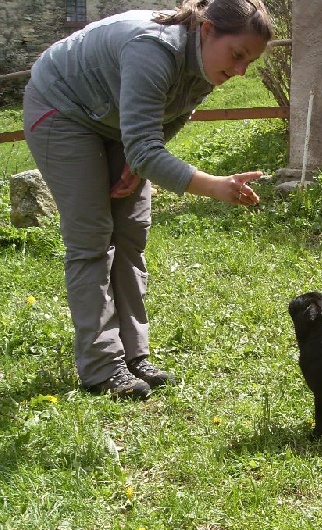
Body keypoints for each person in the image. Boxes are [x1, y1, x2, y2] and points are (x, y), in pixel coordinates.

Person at [23, 0, 274, 399]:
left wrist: (137, 163)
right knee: (92, 238)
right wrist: (214, 185)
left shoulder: (209, 64)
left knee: (131, 233)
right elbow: (144, 146)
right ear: (206, 30)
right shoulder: (153, 49)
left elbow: (174, 114)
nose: (241, 70)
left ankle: (134, 355)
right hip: (62, 109)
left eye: (250, 61)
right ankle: (103, 367)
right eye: (238, 55)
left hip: (115, 118)